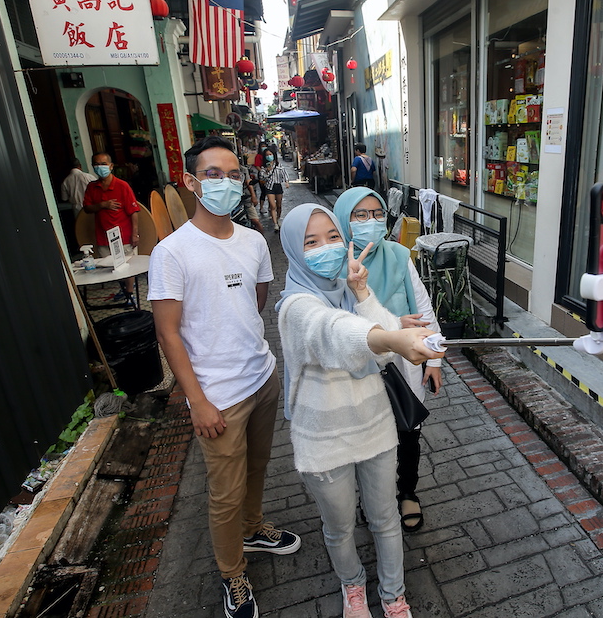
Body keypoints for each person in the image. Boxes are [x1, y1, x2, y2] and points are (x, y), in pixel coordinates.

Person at [149, 136, 300, 618]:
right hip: (218, 396)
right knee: (224, 492)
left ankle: (254, 528)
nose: (226, 182)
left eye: (234, 174)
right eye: (213, 174)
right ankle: (232, 572)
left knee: (257, 469)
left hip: (261, 377)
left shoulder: (254, 241)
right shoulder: (172, 252)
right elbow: (168, 335)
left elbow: (253, 304)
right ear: (192, 182)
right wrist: (198, 400)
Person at [277, 204, 443, 618]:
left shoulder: (349, 288)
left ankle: (393, 595)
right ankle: (352, 587)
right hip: (324, 439)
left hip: (374, 424)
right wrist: (389, 337)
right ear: (293, 252)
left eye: (333, 237)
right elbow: (332, 332)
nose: (326, 248)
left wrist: (363, 293)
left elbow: (383, 337)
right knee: (339, 527)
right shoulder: (294, 306)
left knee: (385, 517)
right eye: (310, 242)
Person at [333, 188, 442, 532]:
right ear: (344, 220)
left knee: (407, 431)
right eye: (360, 215)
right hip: (358, 370)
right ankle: (372, 497)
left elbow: (422, 308)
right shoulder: (333, 263)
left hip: (404, 364)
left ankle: (406, 491)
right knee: (366, 436)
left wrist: (435, 360)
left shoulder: (398, 254)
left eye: (378, 214)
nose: (371, 222)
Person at [83, 152, 140, 303]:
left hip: (123, 234)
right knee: (111, 267)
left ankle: (129, 294)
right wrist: (102, 205)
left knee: (127, 267)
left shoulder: (122, 186)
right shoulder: (92, 187)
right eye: (96, 164)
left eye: (103, 164)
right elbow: (87, 208)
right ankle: (123, 291)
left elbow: (133, 211)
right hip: (103, 236)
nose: (100, 167)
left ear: (111, 166)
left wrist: (135, 234)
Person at [262, 151, 289, 231]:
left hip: (278, 186)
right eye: (267, 155)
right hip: (269, 187)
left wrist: (286, 182)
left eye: (270, 154)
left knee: (279, 206)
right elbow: (263, 177)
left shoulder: (279, 165)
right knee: (273, 206)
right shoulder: (264, 167)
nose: (269, 156)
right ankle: (275, 224)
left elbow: (284, 173)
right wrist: (267, 171)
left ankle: (278, 218)